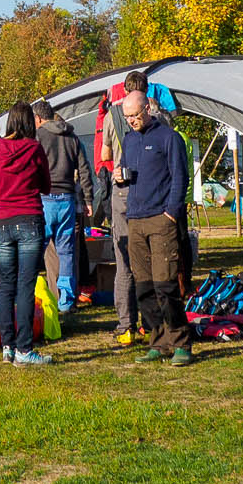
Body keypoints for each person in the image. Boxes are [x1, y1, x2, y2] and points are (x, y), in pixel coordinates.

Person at [119, 85, 193, 366]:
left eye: (135, 115)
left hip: (161, 219)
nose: (131, 121)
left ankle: (181, 343)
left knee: (166, 283)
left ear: (147, 109)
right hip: (135, 219)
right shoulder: (129, 140)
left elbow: (179, 177)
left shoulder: (168, 138)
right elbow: (127, 170)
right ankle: (157, 341)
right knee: (144, 286)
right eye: (127, 117)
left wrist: (171, 213)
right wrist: (119, 176)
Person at [0, 104, 52, 365]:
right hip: (29, 217)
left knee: (6, 283)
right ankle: (24, 348)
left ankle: (7, 345)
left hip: (3, 219)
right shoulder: (33, 148)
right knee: (25, 285)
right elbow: (46, 184)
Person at [99, 69, 148, 341]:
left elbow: (105, 154)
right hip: (148, 191)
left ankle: (125, 323)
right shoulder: (156, 115)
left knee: (124, 261)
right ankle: (150, 320)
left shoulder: (111, 116)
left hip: (121, 192)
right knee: (149, 259)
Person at [33, 99, 89, 311]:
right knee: (66, 252)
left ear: (38, 118)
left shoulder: (38, 137)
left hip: (44, 198)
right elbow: (84, 169)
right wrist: (88, 199)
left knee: (37, 249)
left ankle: (37, 297)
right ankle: (66, 301)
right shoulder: (72, 137)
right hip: (67, 199)